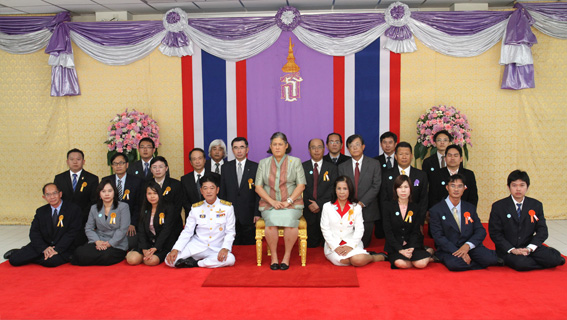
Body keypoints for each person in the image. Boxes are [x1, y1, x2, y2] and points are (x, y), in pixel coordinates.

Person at [489, 170, 565, 271]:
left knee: (554, 259)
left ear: (527, 187)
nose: (518, 189)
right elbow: (495, 233)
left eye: (522, 185)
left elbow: (542, 230)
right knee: (521, 264)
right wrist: (513, 250)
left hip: (528, 245)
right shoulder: (498, 206)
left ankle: (548, 258)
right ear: (508, 187)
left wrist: (529, 248)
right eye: (514, 185)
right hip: (509, 248)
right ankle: (545, 261)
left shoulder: (536, 205)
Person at [255, 132, 306, 270]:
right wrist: (272, 202)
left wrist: (288, 201)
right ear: (270, 146)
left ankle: (287, 256)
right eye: (275, 144)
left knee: (290, 221)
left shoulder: (295, 162)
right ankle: (274, 257)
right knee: (271, 220)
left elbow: (301, 185)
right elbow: (258, 187)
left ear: (286, 146)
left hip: (292, 204)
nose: (277, 147)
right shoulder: (263, 163)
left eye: (280, 144)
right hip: (269, 204)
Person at [429, 174, 498, 271]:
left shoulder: (470, 208)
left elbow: (480, 230)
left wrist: (467, 246)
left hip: (469, 246)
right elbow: (438, 236)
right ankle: (473, 262)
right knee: (454, 264)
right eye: (453, 186)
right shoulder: (436, 210)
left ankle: (470, 260)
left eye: (460, 186)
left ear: (464, 188)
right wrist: (460, 252)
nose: (456, 189)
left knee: (491, 259)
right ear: (447, 187)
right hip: (450, 249)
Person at [165, 174, 236, 268]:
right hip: (197, 246)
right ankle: (199, 261)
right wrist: (176, 249)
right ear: (201, 191)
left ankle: (196, 263)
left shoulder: (227, 208)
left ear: (217, 190)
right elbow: (187, 231)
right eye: (205, 188)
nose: (208, 191)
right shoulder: (195, 208)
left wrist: (225, 248)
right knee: (169, 260)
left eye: (212, 188)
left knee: (230, 259)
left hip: (216, 248)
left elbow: (230, 232)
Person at [6, 183, 82, 267]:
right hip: (44, 244)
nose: (52, 197)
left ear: (60, 194)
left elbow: (72, 233)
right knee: (14, 260)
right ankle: (21, 252)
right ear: (44, 197)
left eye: (54, 193)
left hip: (64, 246)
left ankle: (34, 256)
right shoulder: (41, 211)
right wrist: (44, 248)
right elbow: (34, 232)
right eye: (48, 194)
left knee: (50, 262)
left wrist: (56, 249)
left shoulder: (73, 209)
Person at [320, 176, 386, 266]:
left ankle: (375, 257)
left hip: (352, 242)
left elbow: (359, 229)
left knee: (357, 260)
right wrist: (335, 246)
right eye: (339, 188)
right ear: (335, 190)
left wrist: (350, 246)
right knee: (342, 261)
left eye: (345, 189)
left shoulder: (356, 207)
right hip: (333, 245)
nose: (341, 192)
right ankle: (366, 256)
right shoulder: (327, 207)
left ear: (350, 190)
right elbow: (325, 229)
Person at [72, 178, 130, 266]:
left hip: (116, 244)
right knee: (79, 252)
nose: (107, 194)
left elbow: (123, 229)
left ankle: (91, 259)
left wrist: (110, 243)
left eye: (110, 191)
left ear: (114, 192)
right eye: (103, 191)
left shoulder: (123, 207)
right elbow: (89, 228)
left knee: (106, 256)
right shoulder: (94, 208)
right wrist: (97, 241)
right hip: (99, 242)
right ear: (99, 193)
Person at [338, 134, 381, 248]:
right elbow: (340, 187)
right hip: (348, 209)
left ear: (363, 147)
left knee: (364, 244)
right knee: (348, 242)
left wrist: (362, 203)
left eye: (357, 145)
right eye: (351, 146)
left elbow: (376, 186)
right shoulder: (342, 167)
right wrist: (350, 203)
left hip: (368, 209)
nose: (355, 148)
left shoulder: (374, 164)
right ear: (348, 149)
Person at [126, 181, 182, 266]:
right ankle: (139, 253)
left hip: (162, 244)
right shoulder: (144, 207)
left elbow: (166, 230)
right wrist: (144, 248)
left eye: (155, 193)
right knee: (132, 260)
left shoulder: (168, 207)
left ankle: (147, 256)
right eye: (149, 193)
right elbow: (141, 230)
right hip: (147, 242)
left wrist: (155, 248)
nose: (152, 196)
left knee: (151, 261)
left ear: (159, 193)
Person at [382, 175, 431, 269]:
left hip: (411, 245)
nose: (403, 190)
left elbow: (416, 231)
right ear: (395, 190)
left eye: (406, 187)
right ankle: (417, 258)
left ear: (410, 189)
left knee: (421, 264)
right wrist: (400, 250)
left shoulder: (415, 207)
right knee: (401, 264)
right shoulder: (388, 207)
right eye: (400, 187)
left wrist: (411, 248)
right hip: (396, 246)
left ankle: (428, 253)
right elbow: (388, 232)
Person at [53, 148, 99, 246]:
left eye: (78, 159)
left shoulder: (92, 179)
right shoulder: (59, 178)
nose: (75, 162)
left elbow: (94, 201)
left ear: (83, 161)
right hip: (64, 218)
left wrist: (80, 215)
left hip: (84, 219)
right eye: (71, 159)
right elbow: (56, 200)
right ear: (67, 162)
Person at [219, 137, 260, 245]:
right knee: (232, 246)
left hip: (249, 215)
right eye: (236, 148)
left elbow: (259, 193)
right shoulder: (225, 167)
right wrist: (222, 213)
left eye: (242, 147)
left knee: (249, 249)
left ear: (247, 149)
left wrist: (257, 213)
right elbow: (222, 192)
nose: (239, 151)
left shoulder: (256, 167)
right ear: (232, 150)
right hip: (230, 214)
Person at [381, 142, 429, 228]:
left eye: (407, 154)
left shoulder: (421, 175)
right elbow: (384, 199)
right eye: (400, 154)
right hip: (393, 222)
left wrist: (420, 221)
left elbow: (423, 200)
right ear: (395, 156)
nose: (404, 157)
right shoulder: (386, 175)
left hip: (415, 221)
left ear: (411, 156)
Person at [302, 138, 338, 248]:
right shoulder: (302, 167)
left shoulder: (332, 168)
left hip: (326, 209)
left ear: (324, 149)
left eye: (319, 147)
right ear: (309, 150)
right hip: (308, 210)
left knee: (326, 245)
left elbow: (333, 188)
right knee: (310, 245)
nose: (316, 150)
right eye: (313, 147)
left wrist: (319, 203)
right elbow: (300, 188)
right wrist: (309, 204)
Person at [102, 152, 143, 250]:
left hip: (129, 224)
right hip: (110, 224)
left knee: (130, 242)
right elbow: (101, 204)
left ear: (127, 165)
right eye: (115, 164)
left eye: (121, 163)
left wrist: (132, 223)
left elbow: (139, 205)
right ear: (112, 166)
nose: (118, 166)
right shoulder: (106, 180)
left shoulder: (136, 181)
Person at [428, 144, 478, 209]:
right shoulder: (436, 174)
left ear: (461, 159)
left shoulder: (469, 174)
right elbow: (433, 198)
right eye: (449, 155)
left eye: (456, 155)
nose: (452, 158)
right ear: (445, 158)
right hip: (442, 213)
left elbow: (473, 198)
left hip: (464, 213)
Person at [151, 156, 183, 221]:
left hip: (173, 223)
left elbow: (178, 207)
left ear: (166, 168)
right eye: (154, 167)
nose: (157, 170)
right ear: (151, 169)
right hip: (152, 223)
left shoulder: (176, 184)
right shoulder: (146, 185)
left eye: (160, 167)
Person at [181, 148, 207, 218]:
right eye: (194, 159)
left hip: (211, 217)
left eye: (200, 158)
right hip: (192, 217)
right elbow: (184, 201)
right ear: (191, 162)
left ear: (204, 160)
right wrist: (196, 212)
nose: (197, 162)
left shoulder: (214, 177)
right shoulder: (184, 179)